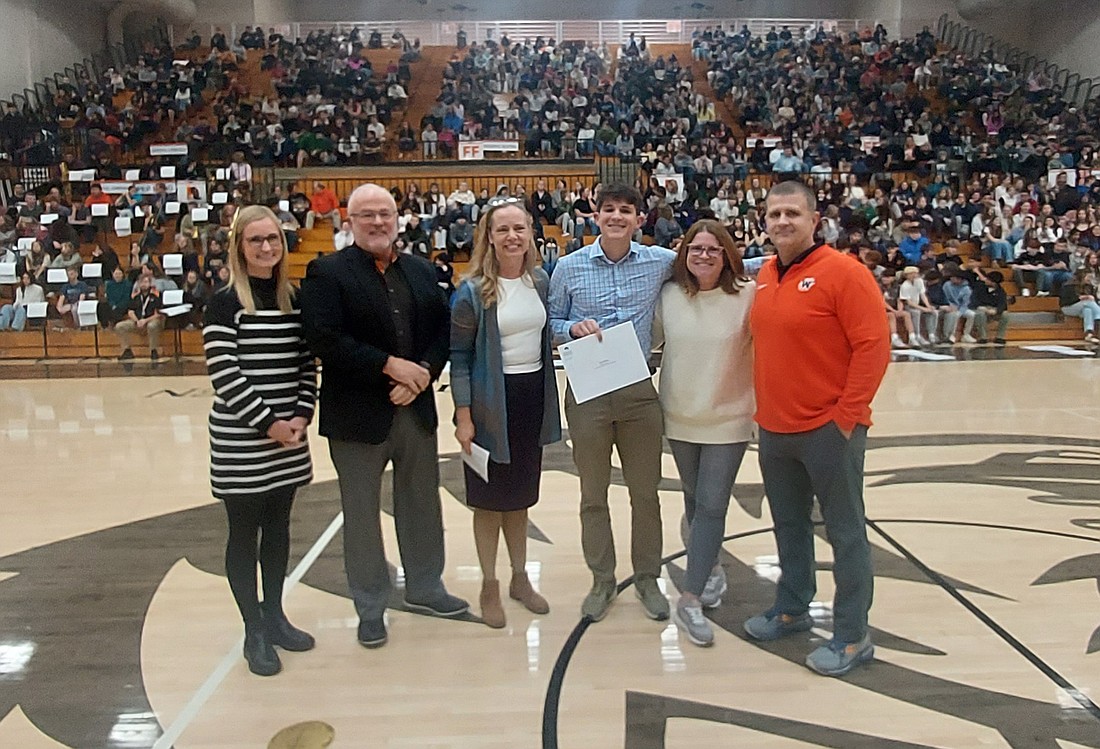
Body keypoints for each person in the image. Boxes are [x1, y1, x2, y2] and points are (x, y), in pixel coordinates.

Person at [301, 183, 468, 650]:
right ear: (349, 222)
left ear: (399, 219)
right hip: (357, 417)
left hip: (414, 410)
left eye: (385, 214)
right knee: (361, 514)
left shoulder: (419, 270)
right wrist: (389, 367)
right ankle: (371, 605)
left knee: (421, 502)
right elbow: (324, 339)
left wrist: (423, 373)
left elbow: (440, 332)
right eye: (367, 215)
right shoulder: (325, 272)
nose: (377, 222)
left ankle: (425, 587)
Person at [744, 180, 890, 678]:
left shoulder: (845, 274)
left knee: (845, 533)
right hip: (775, 428)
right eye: (773, 214)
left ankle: (852, 634)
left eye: (792, 213)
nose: (781, 222)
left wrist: (846, 416)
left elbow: (874, 347)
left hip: (829, 429)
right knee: (788, 526)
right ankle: (792, 607)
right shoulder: (764, 274)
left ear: (814, 220)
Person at [548, 182, 676, 622]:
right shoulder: (568, 266)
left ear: (640, 219)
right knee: (593, 493)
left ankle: (647, 578)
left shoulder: (662, 262)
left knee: (646, 492)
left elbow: (714, 262)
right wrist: (571, 330)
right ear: (595, 216)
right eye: (609, 210)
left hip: (639, 394)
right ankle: (602, 580)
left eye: (626, 210)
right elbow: (550, 322)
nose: (617, 216)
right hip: (588, 392)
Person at [203, 204, 318, 677]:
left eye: (273, 239)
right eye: (256, 241)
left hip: (289, 438)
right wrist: (269, 423)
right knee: (243, 532)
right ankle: (253, 628)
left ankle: (275, 615)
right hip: (242, 440)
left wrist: (300, 416)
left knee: (279, 528)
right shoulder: (224, 302)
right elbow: (224, 375)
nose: (267, 247)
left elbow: (307, 366)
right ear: (239, 246)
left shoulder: (296, 298)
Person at [449, 197, 561, 629]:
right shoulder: (472, 292)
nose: (513, 236)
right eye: (503, 230)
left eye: (520, 228)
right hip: (488, 402)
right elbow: (458, 358)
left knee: (519, 499)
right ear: (489, 238)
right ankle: (489, 583)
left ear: (530, 233)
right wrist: (463, 416)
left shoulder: (541, 280)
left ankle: (520, 578)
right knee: (488, 502)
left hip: (531, 398)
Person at [652, 219, 755, 647]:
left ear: (727, 254)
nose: (705, 256)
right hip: (679, 415)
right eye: (697, 248)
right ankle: (710, 567)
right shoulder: (669, 296)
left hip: (729, 417)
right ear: (684, 253)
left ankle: (689, 597)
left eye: (714, 249)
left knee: (712, 504)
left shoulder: (748, 296)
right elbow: (649, 341)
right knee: (694, 499)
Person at [115, 273, 165, 360]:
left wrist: (145, 321)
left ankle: (153, 350)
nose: (143, 284)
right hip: (138, 321)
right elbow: (130, 311)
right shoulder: (136, 296)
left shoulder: (156, 295)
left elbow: (158, 314)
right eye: (141, 282)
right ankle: (127, 350)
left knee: (152, 325)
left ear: (150, 284)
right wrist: (137, 321)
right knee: (120, 326)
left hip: (151, 320)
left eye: (146, 282)